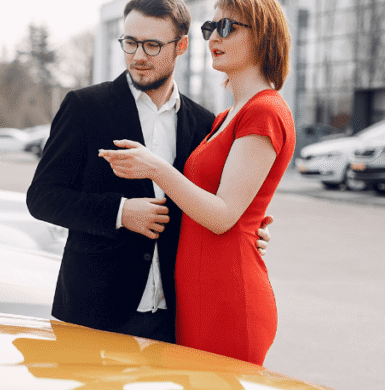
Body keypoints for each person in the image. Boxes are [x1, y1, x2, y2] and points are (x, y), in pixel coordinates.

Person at [26, 0, 270, 344]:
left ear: (181, 46)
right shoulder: (85, 107)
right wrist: (121, 212)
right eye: (130, 42)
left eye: (152, 45)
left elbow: (211, 206)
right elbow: (42, 198)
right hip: (94, 313)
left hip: (175, 316)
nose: (138, 56)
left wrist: (244, 232)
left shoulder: (203, 123)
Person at [100, 0, 295, 365]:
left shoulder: (265, 110)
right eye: (211, 28)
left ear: (263, 35)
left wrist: (155, 167)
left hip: (228, 299)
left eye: (227, 28)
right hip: (197, 294)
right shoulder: (224, 117)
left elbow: (222, 216)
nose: (213, 38)